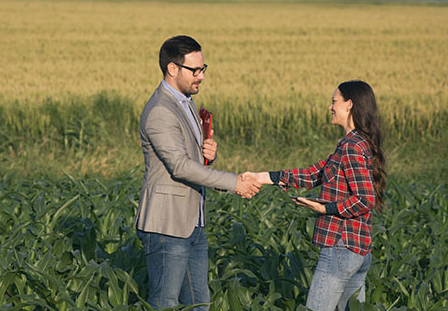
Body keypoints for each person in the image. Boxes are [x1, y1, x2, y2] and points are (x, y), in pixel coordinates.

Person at [135, 35, 261, 310]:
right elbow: (180, 166)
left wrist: (208, 155)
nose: (201, 76)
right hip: (167, 225)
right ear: (172, 68)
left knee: (198, 303)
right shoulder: (160, 110)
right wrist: (234, 183)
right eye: (195, 70)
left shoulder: (185, 102)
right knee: (165, 304)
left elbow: (190, 161)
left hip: (193, 222)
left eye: (203, 69)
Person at [245, 80, 386, 311]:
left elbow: (364, 199)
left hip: (341, 245)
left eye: (334, 101)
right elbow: (315, 174)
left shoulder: (352, 146)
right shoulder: (356, 142)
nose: (330, 107)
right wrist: (262, 177)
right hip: (358, 248)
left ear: (349, 104)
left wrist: (325, 208)